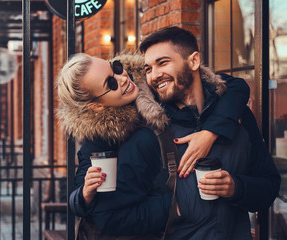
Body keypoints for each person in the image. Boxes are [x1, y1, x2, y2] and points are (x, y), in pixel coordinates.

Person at [57, 51, 250, 237]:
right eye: (111, 83)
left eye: (115, 67)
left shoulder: (147, 75)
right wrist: (85, 193)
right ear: (97, 106)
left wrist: (210, 133)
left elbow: (234, 86)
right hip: (161, 222)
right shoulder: (99, 135)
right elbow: (89, 205)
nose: (122, 77)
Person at [138, 26, 281, 239]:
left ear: (194, 61)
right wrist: (175, 208)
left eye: (163, 63)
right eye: (148, 68)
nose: (154, 75)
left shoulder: (236, 115)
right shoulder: (149, 128)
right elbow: (126, 207)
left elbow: (269, 186)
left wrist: (236, 188)